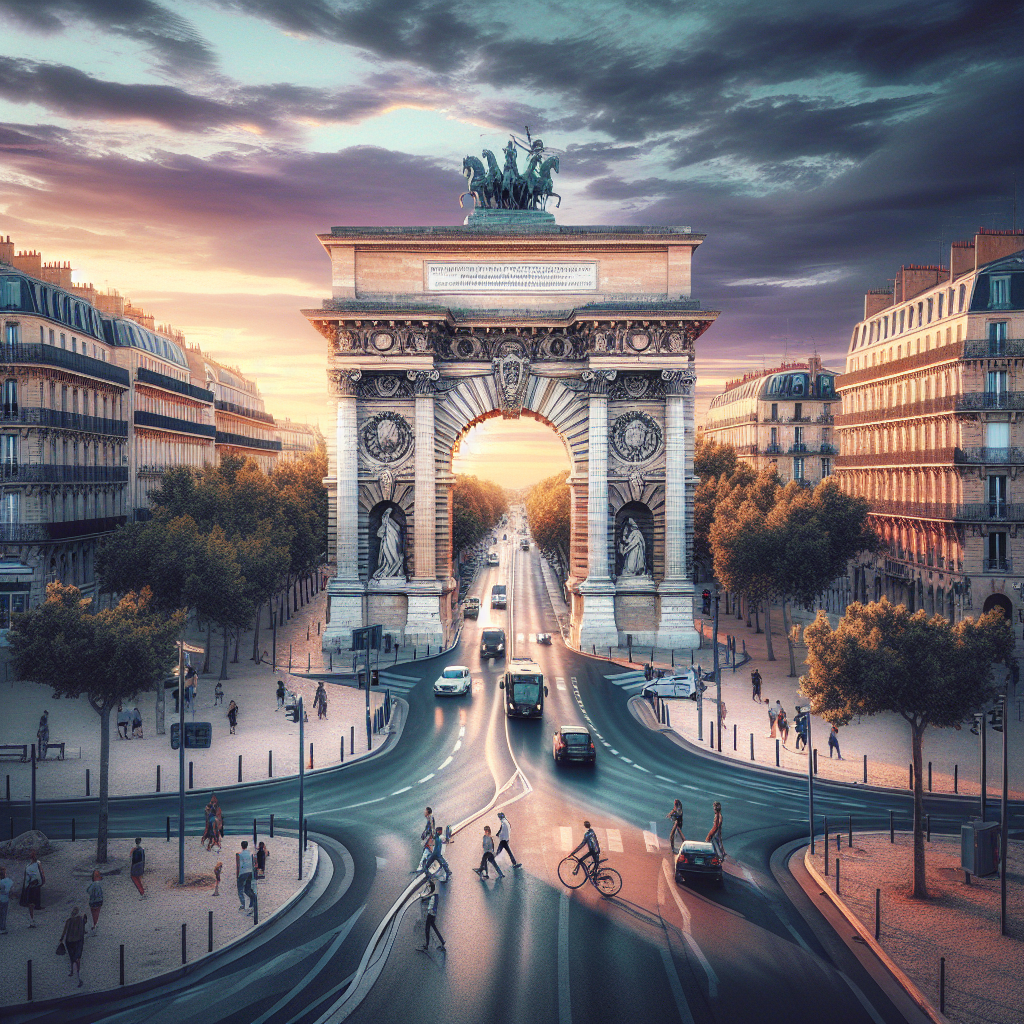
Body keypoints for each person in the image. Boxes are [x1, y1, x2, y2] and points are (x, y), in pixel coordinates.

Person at [60, 906, 86, 986]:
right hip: (77, 941)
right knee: (77, 958)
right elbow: (83, 931)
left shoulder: (69, 920)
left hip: (69, 941)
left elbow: (64, 931)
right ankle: (78, 973)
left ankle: (72, 971)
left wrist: (61, 939)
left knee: (71, 957)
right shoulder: (80, 920)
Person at [416, 879, 445, 952]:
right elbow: (427, 897)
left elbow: (434, 905)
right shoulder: (434, 895)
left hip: (431, 914)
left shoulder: (434, 896)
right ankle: (441, 941)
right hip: (431, 914)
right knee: (433, 928)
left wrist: (432, 913)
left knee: (427, 929)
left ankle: (426, 945)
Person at [21, 848, 44, 925]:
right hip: (32, 885)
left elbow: (41, 873)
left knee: (32, 903)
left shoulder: (36, 864)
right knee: (31, 904)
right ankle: (32, 920)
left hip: (35, 885)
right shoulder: (28, 866)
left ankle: (32, 920)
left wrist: (41, 881)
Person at [236, 840, 256, 915]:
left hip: (243, 872)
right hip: (250, 872)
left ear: (241, 846)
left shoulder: (240, 854)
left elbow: (239, 866)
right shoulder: (250, 854)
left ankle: (244, 905)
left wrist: (238, 875)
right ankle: (252, 900)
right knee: (247, 888)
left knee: (240, 889)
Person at [85, 870, 103, 935]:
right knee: (96, 915)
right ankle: (95, 926)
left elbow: (89, 891)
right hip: (99, 901)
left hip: (93, 901)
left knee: (93, 915)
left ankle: (93, 927)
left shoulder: (93, 884)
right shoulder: (100, 884)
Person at [0, 865, 13, 934]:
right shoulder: (7, 881)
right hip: (4, 899)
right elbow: (8, 890)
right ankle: (2, 927)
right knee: (3, 913)